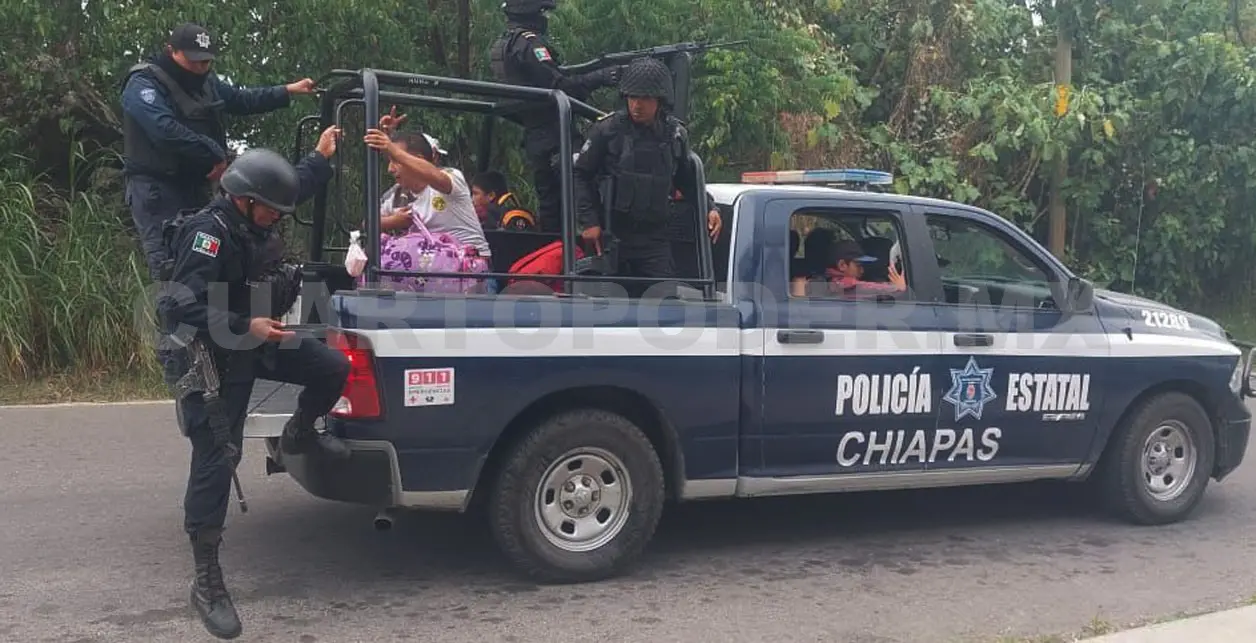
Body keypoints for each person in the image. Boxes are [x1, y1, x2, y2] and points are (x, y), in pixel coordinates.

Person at [159, 126, 350, 640]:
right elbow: (177, 307)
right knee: (218, 457)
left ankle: (300, 433)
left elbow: (294, 187)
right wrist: (247, 327)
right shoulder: (210, 233)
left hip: (255, 336)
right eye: (269, 211)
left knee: (330, 367)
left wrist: (319, 155)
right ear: (244, 201)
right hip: (212, 353)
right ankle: (207, 580)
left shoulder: (254, 213)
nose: (276, 220)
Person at [121, 22, 316, 280]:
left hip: (197, 186)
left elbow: (240, 99)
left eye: (206, 62)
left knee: (209, 259)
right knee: (171, 267)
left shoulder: (206, 82)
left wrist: (286, 91)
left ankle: (217, 319)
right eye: (194, 61)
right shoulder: (143, 84)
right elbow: (163, 128)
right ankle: (177, 318)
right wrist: (213, 152)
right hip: (158, 190)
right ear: (171, 51)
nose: (200, 68)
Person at [572, 57, 722, 296]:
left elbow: (687, 180)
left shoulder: (674, 134)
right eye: (632, 97)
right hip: (614, 238)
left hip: (654, 240)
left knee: (667, 307)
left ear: (660, 100)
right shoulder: (607, 130)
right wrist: (589, 222)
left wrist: (709, 207)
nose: (637, 105)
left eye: (644, 98)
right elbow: (580, 174)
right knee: (611, 312)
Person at [490, 0, 621, 232]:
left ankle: (553, 252)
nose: (545, 18)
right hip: (554, 135)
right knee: (586, 186)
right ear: (529, 12)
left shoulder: (504, 43)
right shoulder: (529, 43)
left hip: (536, 135)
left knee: (551, 205)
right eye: (542, 12)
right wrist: (600, 77)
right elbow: (560, 86)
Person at [362, 127, 492, 292]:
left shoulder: (451, 179)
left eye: (395, 160)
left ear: (417, 160)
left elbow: (435, 176)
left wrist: (393, 149)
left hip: (469, 275)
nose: (390, 169)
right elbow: (368, 223)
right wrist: (393, 221)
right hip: (427, 280)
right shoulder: (397, 195)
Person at [471, 170, 536, 231]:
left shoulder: (514, 217)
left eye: (475, 193)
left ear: (491, 195)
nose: (472, 199)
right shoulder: (488, 219)